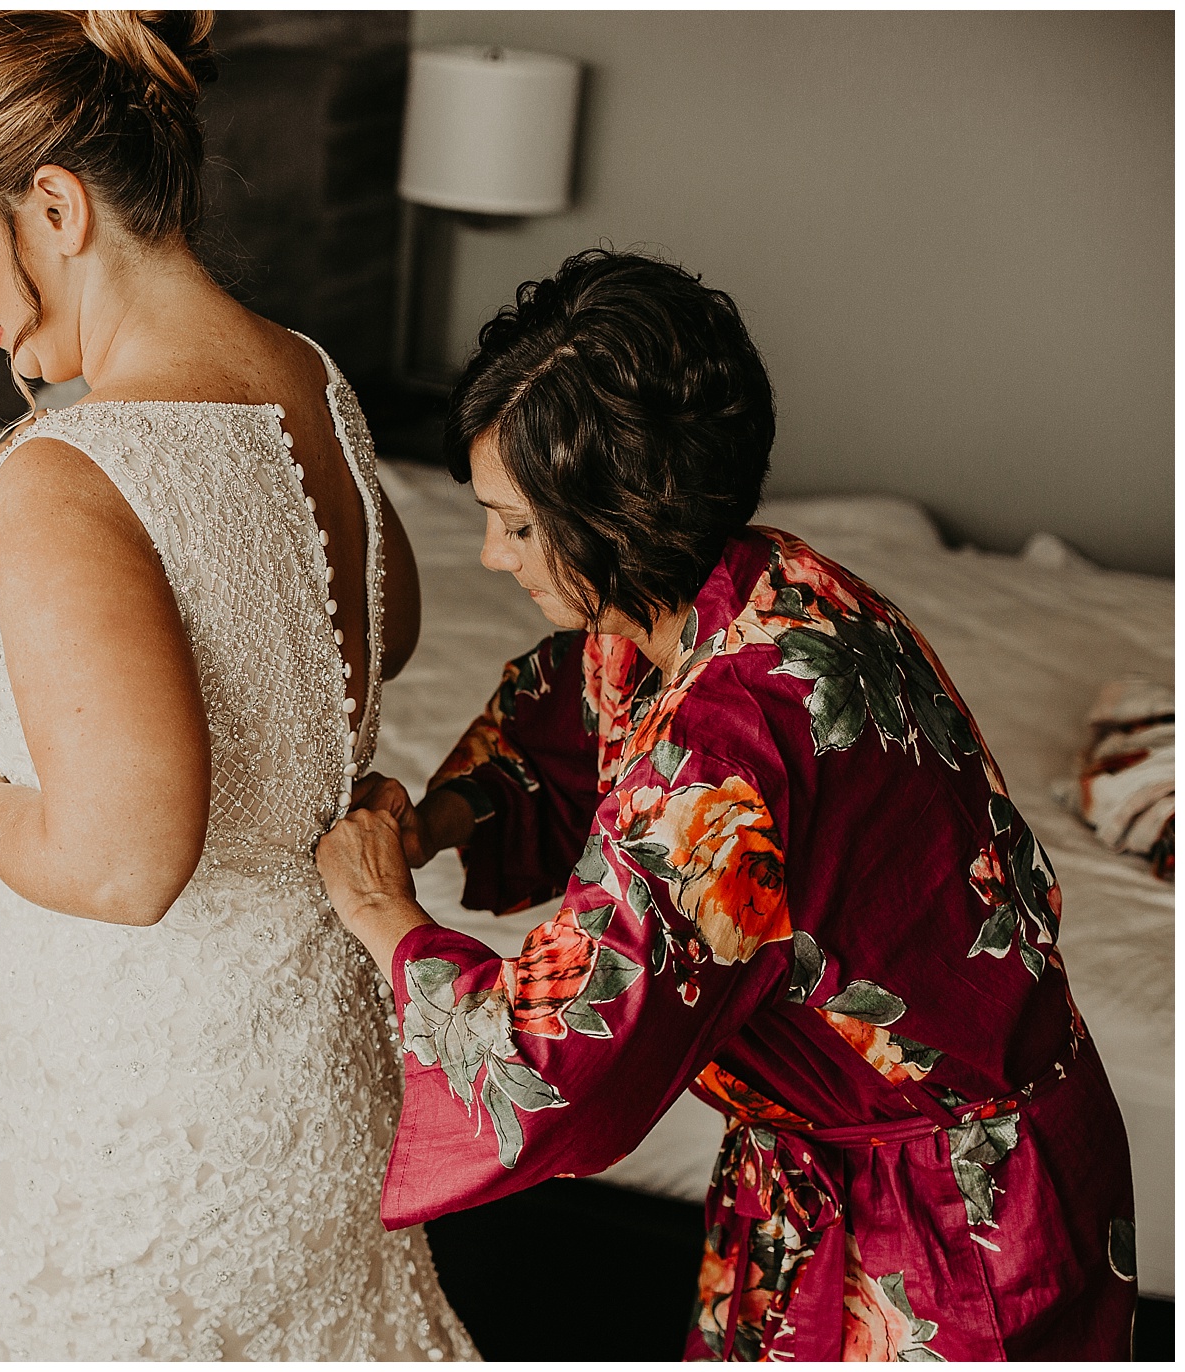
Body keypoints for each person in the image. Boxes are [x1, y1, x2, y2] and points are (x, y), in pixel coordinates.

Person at [315, 249, 1136, 1360]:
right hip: (845, 1166)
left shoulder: (721, 753)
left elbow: (553, 1063)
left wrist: (382, 910)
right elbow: (572, 715)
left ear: (618, 520)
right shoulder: (753, 583)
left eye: (517, 525)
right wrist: (442, 817)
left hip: (954, 1221)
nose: (491, 556)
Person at [0, 10, 475, 1360]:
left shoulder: (68, 468)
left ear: (54, 207)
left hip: (149, 1121)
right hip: (317, 1073)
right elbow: (382, 629)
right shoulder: (308, 376)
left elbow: (122, 868)